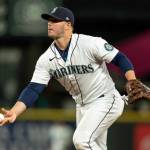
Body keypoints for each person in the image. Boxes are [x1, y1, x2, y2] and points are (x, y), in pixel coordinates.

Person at [0, 6, 136, 150]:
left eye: (54, 20)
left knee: (81, 140)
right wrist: (14, 111)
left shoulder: (89, 43)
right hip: (82, 106)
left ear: (68, 25)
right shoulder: (46, 59)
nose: (49, 23)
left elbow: (119, 58)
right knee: (94, 146)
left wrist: (132, 80)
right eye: (48, 20)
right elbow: (34, 88)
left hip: (106, 99)